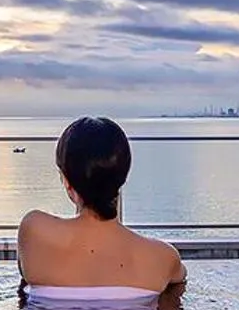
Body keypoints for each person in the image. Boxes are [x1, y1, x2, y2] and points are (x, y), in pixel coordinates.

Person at [17, 116, 186, 300]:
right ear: (124, 176)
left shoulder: (34, 230)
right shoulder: (162, 258)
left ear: (66, 181)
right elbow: (180, 280)